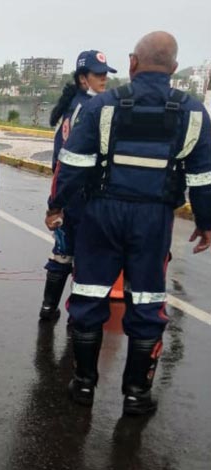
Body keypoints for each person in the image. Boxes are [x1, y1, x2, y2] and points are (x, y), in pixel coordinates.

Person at [46, 31, 211, 415]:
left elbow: (73, 165)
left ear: (133, 64)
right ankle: (136, 394)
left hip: (100, 215)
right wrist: (205, 222)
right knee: (147, 303)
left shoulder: (103, 106)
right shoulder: (193, 113)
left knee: (88, 296)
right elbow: (204, 177)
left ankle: (83, 384)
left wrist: (58, 206)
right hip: (153, 221)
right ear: (173, 68)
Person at [38, 50, 117, 321]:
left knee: (63, 253)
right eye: (98, 74)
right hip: (80, 195)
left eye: (106, 74)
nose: (104, 79)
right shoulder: (88, 109)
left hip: (68, 191)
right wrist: (57, 204)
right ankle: (76, 317)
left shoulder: (79, 105)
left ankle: (49, 308)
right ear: (84, 78)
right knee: (82, 257)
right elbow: (69, 160)